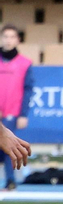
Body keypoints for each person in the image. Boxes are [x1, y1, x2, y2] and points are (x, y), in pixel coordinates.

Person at [0, 23, 33, 190]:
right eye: (5, 36)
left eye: (12, 37)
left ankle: (10, 180)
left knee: (8, 146)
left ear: (18, 40)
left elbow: (27, 90)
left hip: (11, 112)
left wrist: (23, 114)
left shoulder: (25, 63)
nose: (8, 40)